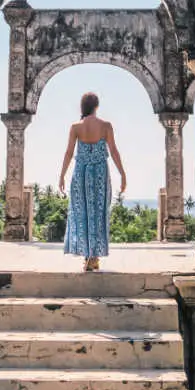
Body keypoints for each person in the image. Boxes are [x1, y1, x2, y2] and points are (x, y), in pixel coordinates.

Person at [58, 91, 127, 272]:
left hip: (80, 173)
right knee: (98, 213)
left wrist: (62, 175)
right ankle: (93, 257)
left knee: (82, 214)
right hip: (99, 174)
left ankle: (88, 257)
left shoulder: (76, 127)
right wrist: (122, 174)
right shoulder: (106, 126)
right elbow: (114, 151)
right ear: (96, 106)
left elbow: (68, 153)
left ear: (83, 107)